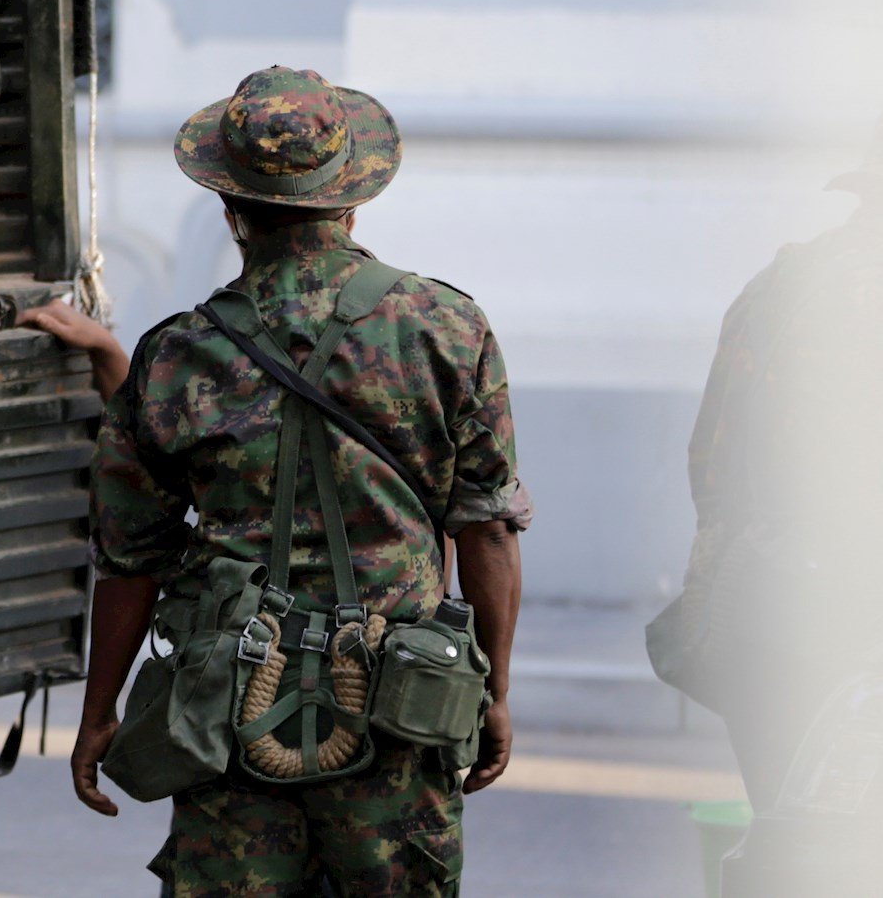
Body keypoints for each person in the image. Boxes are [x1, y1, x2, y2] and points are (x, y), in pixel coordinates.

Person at [47, 65, 531, 898]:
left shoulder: (178, 354)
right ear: (354, 199)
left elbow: (130, 561)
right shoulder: (449, 329)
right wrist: (493, 691)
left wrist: (100, 713)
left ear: (230, 211)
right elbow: (485, 529)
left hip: (228, 712)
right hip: (402, 709)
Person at [649, 102, 883, 807]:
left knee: (789, 837)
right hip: (846, 630)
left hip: (742, 609)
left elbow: (709, 455)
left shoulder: (781, 283)